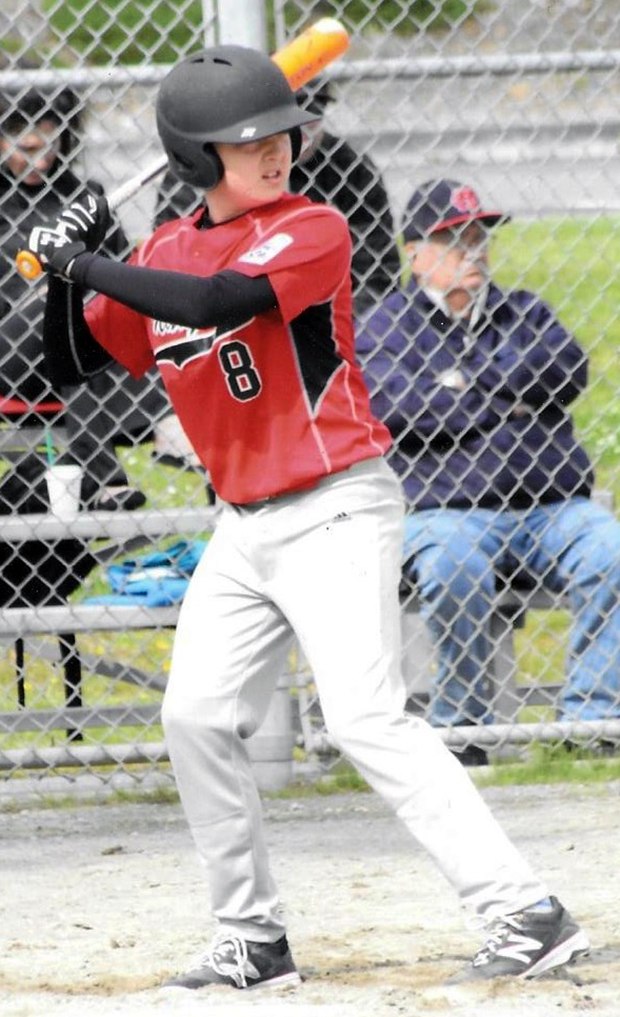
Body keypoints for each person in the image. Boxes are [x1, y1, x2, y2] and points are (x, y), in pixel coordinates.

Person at [26, 48, 588, 989]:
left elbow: (219, 300)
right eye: (246, 144)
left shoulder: (313, 227)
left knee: (366, 717)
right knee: (194, 714)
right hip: (243, 528)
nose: (277, 152)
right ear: (197, 161)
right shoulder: (160, 253)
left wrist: (88, 258)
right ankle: (252, 938)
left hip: (336, 504)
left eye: (279, 135)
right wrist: (60, 277)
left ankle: (524, 911)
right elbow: (65, 366)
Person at [357, 176, 620, 761]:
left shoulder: (523, 309)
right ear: (416, 252)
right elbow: (398, 408)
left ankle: (591, 723)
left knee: (612, 551)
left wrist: (462, 387)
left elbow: (565, 368)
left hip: (552, 508)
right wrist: (510, 400)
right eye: (455, 241)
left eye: (479, 238)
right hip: (446, 514)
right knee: (452, 567)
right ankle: (463, 729)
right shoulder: (385, 324)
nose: (473, 251)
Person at [0, 72, 167, 509]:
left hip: (81, 349)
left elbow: (120, 277)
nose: (34, 148)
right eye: (17, 136)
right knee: (62, 297)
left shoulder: (85, 196)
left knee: (80, 301)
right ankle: (159, 431)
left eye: (46, 132)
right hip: (10, 353)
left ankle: (109, 476)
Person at [153, 76, 402, 316]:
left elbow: (379, 271)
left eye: (310, 116)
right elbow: (172, 268)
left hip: (328, 315)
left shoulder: (348, 166)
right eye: (279, 125)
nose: (299, 134)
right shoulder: (201, 169)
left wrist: (340, 324)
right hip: (222, 311)